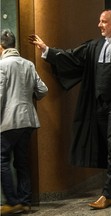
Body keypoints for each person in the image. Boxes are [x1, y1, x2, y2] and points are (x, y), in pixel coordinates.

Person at [29, 9, 111, 209]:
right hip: (99, 105)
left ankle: (107, 195)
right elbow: (72, 57)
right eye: (99, 21)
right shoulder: (95, 46)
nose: (100, 25)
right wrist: (47, 50)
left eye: (104, 21)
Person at [0, 29, 48, 215]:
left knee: (2, 160)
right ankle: (25, 202)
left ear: (1, 47)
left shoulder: (2, 66)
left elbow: (1, 95)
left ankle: (12, 202)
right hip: (28, 120)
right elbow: (43, 90)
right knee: (22, 162)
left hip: (9, 121)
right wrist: (27, 97)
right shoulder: (28, 65)